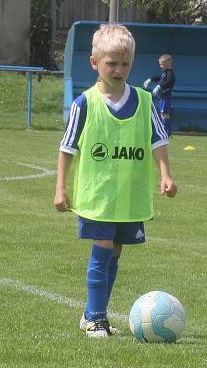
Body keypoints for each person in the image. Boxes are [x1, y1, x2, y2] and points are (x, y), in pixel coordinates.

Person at [54, 24, 178, 338]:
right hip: (97, 196)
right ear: (95, 63)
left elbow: (158, 141)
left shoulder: (145, 101)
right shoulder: (85, 103)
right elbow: (67, 148)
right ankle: (96, 317)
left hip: (130, 196)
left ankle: (92, 315)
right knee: (103, 247)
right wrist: (60, 188)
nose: (118, 70)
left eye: (124, 64)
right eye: (112, 63)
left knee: (116, 253)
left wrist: (165, 175)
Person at [143, 54, 175, 135]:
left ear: (168, 62)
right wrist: (150, 79)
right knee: (162, 113)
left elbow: (167, 81)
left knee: (165, 113)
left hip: (166, 97)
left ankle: (166, 132)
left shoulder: (170, 74)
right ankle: (166, 131)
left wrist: (159, 86)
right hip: (162, 97)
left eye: (162, 64)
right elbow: (159, 77)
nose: (160, 66)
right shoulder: (164, 73)